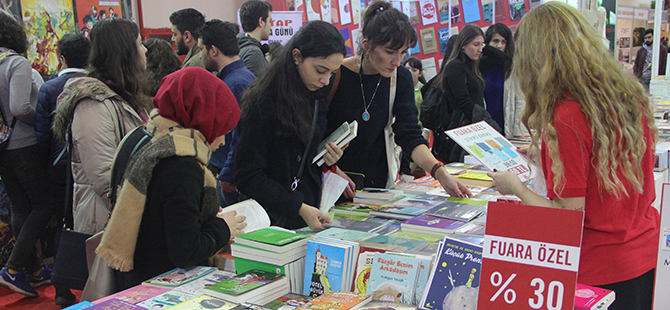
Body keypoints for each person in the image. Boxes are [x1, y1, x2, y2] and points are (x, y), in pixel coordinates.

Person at [488, 3, 659, 310]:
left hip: (598, 270)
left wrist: (516, 187)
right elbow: (607, 168)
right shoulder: (626, 95)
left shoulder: (566, 114)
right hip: (642, 256)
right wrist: (548, 159)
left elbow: (567, 216)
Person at [95, 67, 245, 291]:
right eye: (221, 129)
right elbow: (185, 251)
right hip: (164, 285)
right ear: (203, 118)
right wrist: (223, 227)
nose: (222, 141)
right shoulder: (183, 165)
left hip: (134, 278)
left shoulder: (144, 137)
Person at [327, 1, 471, 198]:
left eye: (402, 52)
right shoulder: (336, 75)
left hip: (376, 187)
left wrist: (440, 173)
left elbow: (409, 134)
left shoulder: (399, 77)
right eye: (390, 52)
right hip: (330, 182)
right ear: (367, 46)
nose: (397, 61)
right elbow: (314, 135)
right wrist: (332, 172)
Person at [234, 21, 345, 230]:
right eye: (320, 70)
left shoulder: (316, 96)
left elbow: (306, 157)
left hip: (308, 213)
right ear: (297, 57)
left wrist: (327, 156)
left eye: (332, 72)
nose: (325, 80)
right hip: (271, 221)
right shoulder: (264, 101)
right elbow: (247, 175)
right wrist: (298, 207)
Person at [54, 18, 150, 235]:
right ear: (124, 52)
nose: (144, 50)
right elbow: (106, 180)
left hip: (126, 215)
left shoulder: (125, 97)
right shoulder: (93, 105)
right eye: (139, 43)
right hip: (104, 223)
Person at [0, 11, 53, 298]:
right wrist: (43, 121)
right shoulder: (15, 63)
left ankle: (32, 270)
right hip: (23, 144)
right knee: (44, 204)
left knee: (20, 207)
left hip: (2, 149)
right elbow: (20, 107)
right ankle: (13, 268)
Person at [34, 33, 90, 306]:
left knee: (63, 221)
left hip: (59, 164)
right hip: (90, 162)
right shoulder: (96, 84)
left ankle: (62, 287)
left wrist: (45, 165)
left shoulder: (50, 88)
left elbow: (43, 134)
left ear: (62, 57)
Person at [199, 19, 256, 207]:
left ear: (213, 50)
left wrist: (227, 176)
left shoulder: (236, 84)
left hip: (230, 179)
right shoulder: (234, 80)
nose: (200, 56)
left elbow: (242, 136)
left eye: (201, 49)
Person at [432, 24, 501, 163]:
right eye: (476, 45)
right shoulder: (455, 66)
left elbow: (500, 58)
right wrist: (484, 122)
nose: (480, 49)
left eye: (481, 45)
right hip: (464, 127)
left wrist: (482, 44)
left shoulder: (473, 65)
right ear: (463, 44)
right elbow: (462, 101)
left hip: (475, 125)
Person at [480, 23, 526, 138]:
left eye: (503, 42)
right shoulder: (479, 67)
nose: (500, 45)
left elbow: (520, 102)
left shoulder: (512, 68)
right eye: (496, 41)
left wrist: (518, 133)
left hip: (506, 127)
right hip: (484, 127)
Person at [238, 0, 273, 76]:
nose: (271, 28)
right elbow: (256, 87)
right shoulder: (254, 54)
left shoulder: (240, 47)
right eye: (269, 21)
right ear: (261, 21)